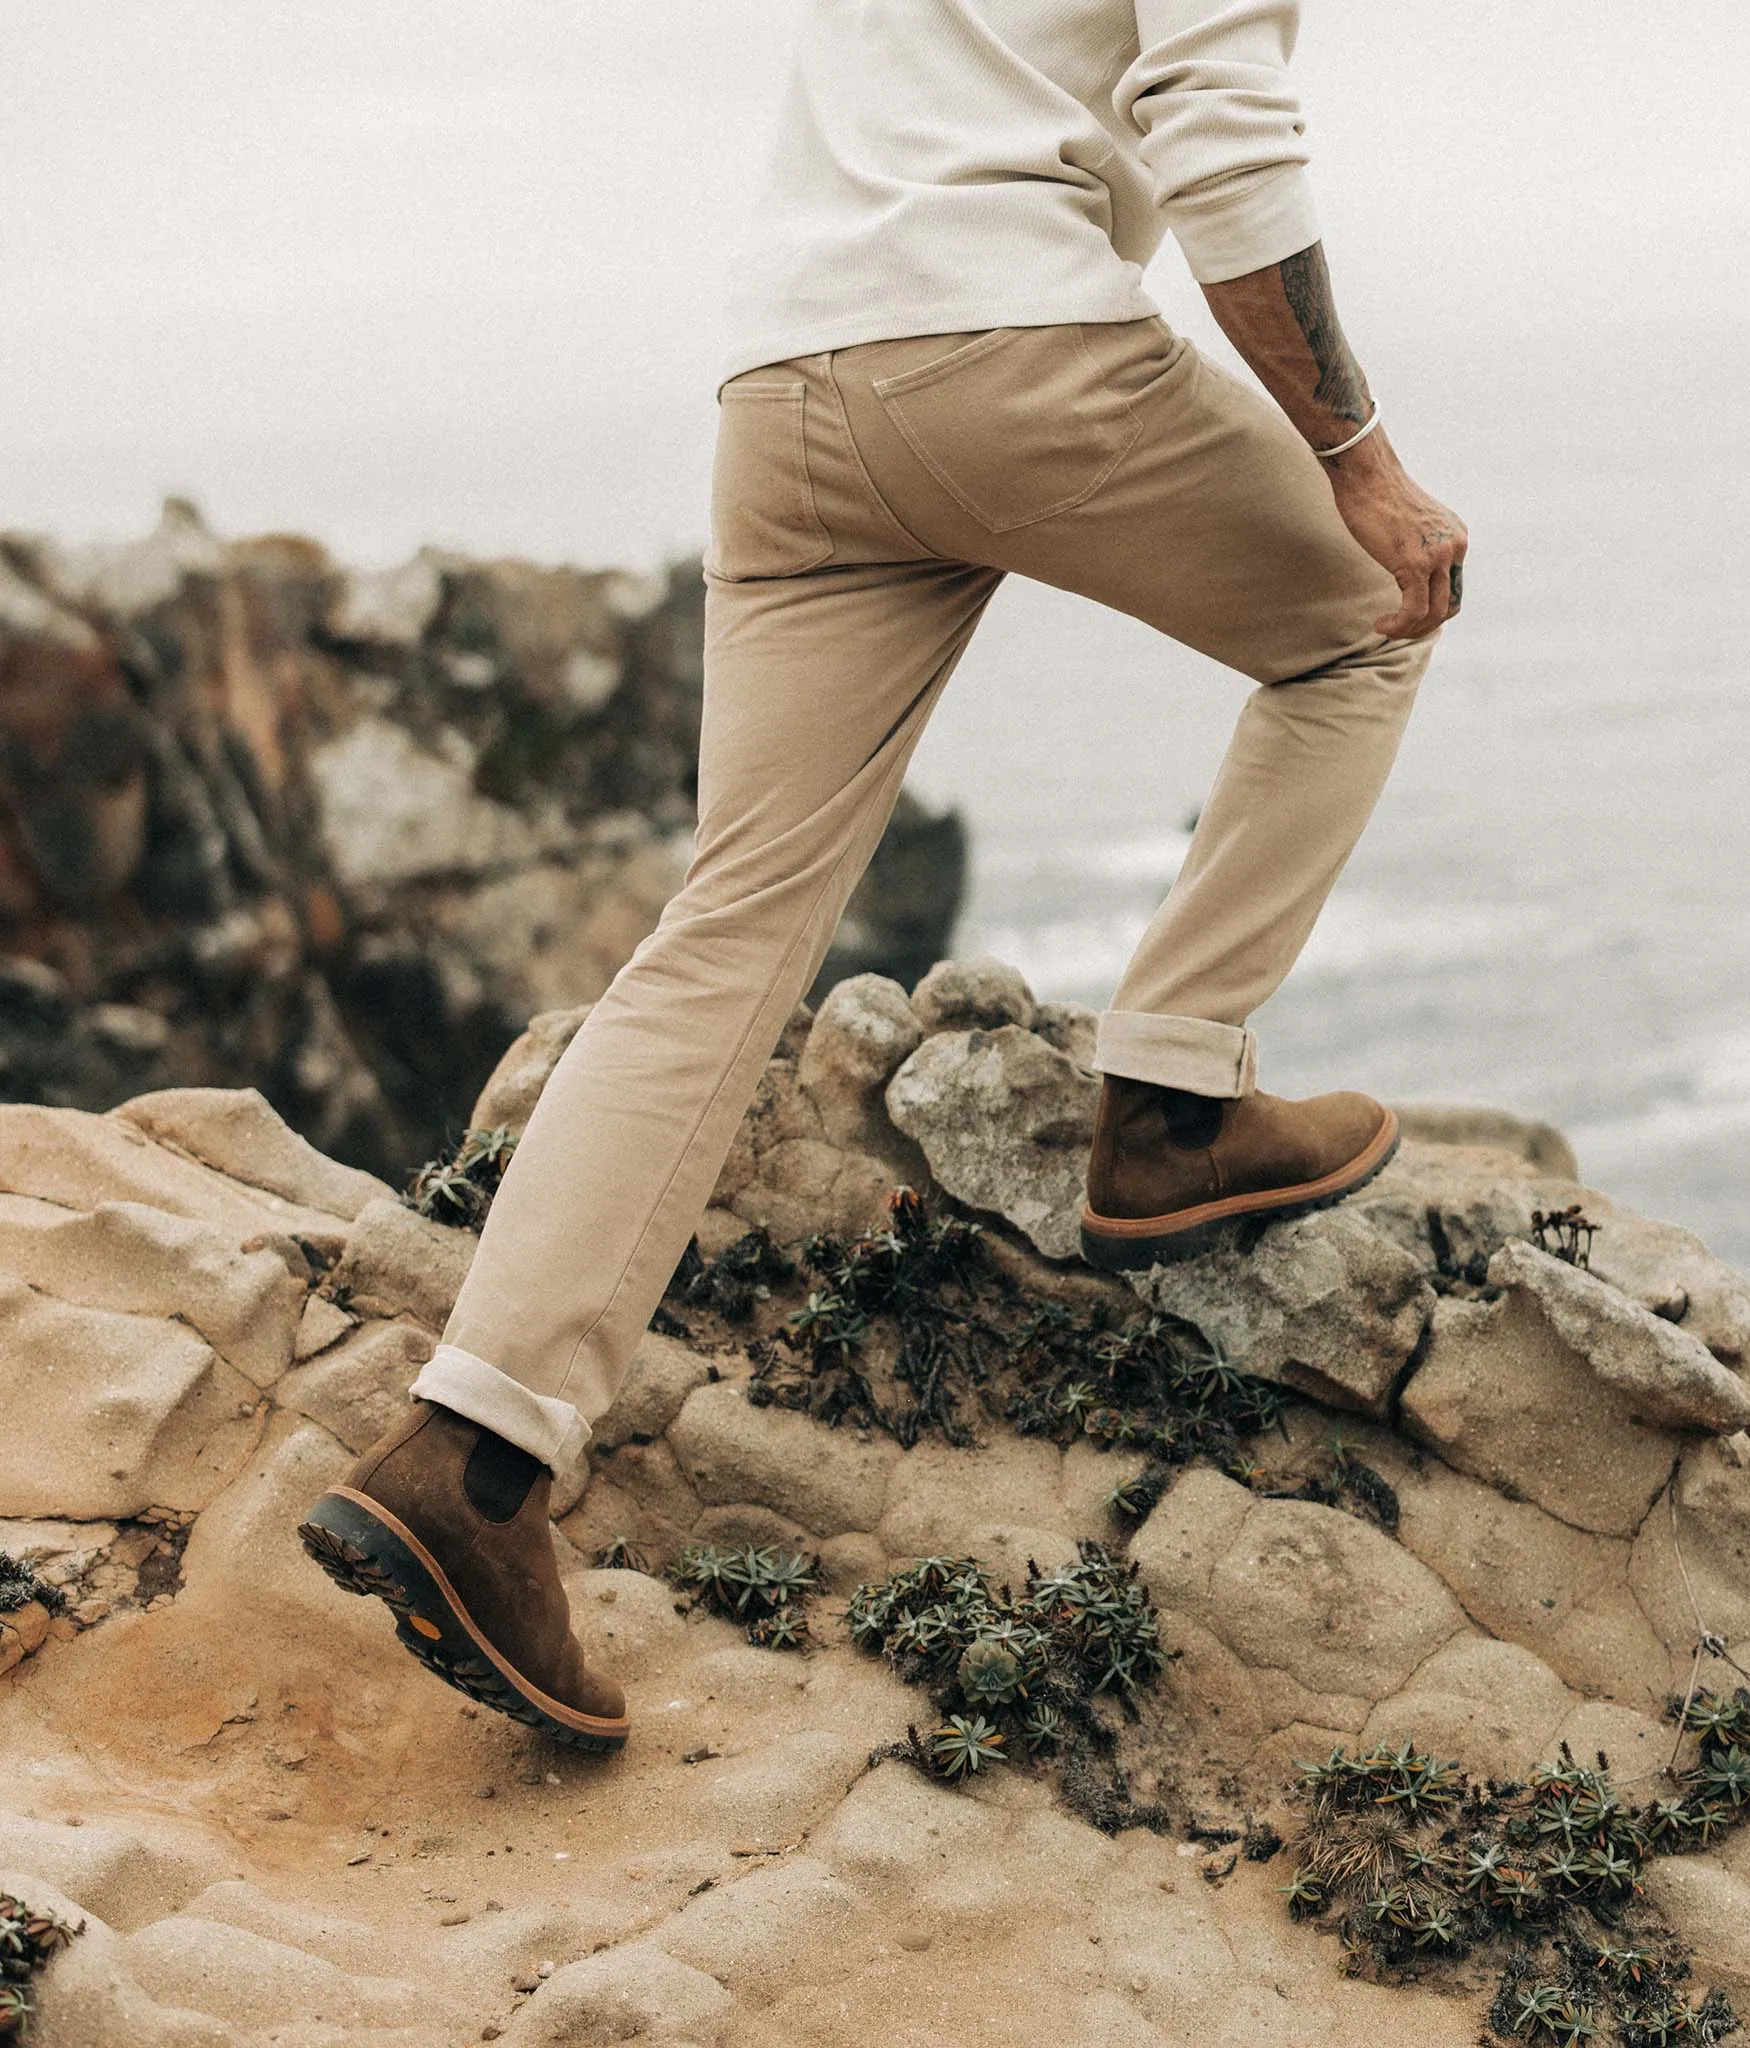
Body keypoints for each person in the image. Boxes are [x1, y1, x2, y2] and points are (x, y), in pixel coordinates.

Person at [299, 0, 1467, 1752]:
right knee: (1372, 615)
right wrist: (1359, 462)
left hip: (790, 389)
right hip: (1013, 350)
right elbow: (1220, 128)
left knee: (725, 930)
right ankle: (1170, 1105)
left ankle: (468, 1461)